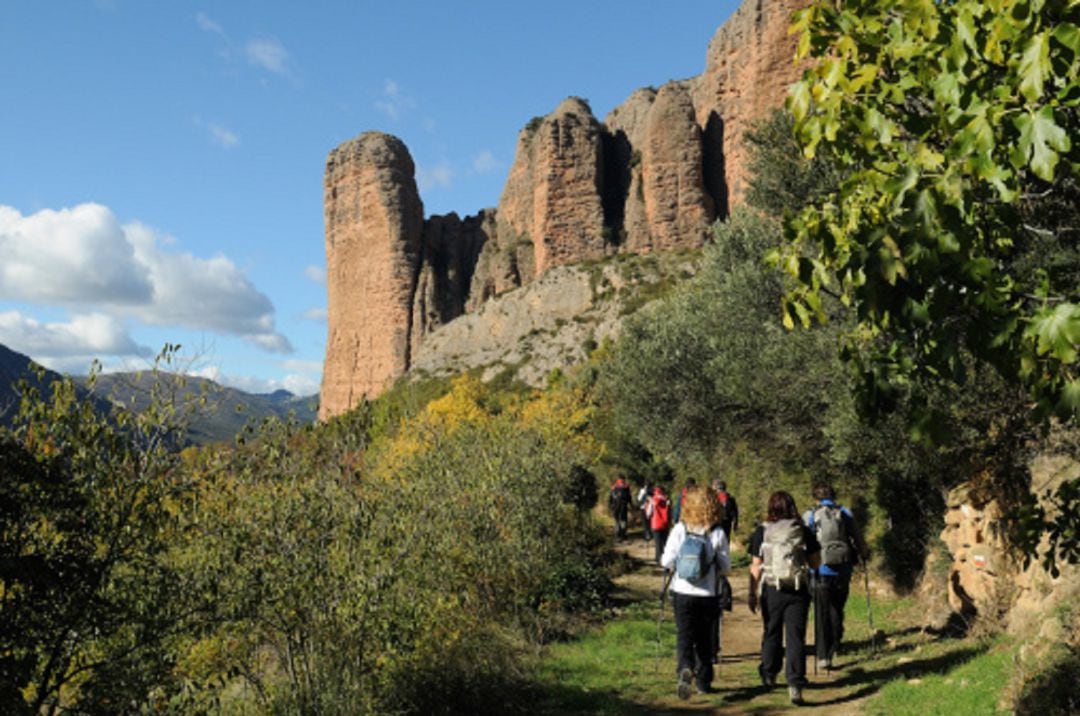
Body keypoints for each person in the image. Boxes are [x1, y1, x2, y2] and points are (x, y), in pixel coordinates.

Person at [748, 491, 821, 706]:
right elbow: (816, 562)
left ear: (771, 508)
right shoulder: (802, 530)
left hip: (772, 588)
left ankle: (769, 673)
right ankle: (795, 683)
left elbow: (755, 565)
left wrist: (752, 593)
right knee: (795, 637)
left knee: (771, 631)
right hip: (798, 590)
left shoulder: (762, 531)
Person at [661, 486, 731, 699]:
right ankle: (703, 681)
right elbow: (726, 567)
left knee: (684, 633)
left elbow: (666, 561)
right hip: (708, 593)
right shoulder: (717, 532)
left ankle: (685, 667)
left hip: (682, 591)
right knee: (705, 638)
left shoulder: (680, 529)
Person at [803, 483, 870, 670]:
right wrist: (864, 554)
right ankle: (836, 642)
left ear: (815, 497)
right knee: (837, 608)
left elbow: (804, 542)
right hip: (843, 568)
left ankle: (823, 655)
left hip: (819, 570)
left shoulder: (810, 515)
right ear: (834, 496)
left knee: (822, 611)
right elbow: (857, 538)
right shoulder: (845, 512)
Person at [649, 485, 671, 564]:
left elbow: (648, 513)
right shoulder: (667, 500)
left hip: (655, 524)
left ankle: (658, 558)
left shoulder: (653, 500)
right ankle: (666, 558)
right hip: (665, 524)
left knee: (658, 543)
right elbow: (669, 512)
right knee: (665, 542)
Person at [609, 475, 631, 541]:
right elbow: (629, 497)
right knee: (623, 520)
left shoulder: (614, 487)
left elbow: (610, 498)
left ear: (618, 479)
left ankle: (617, 535)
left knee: (617, 521)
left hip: (615, 506)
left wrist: (610, 506)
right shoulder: (626, 487)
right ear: (624, 479)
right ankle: (623, 535)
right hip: (623, 506)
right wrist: (631, 504)